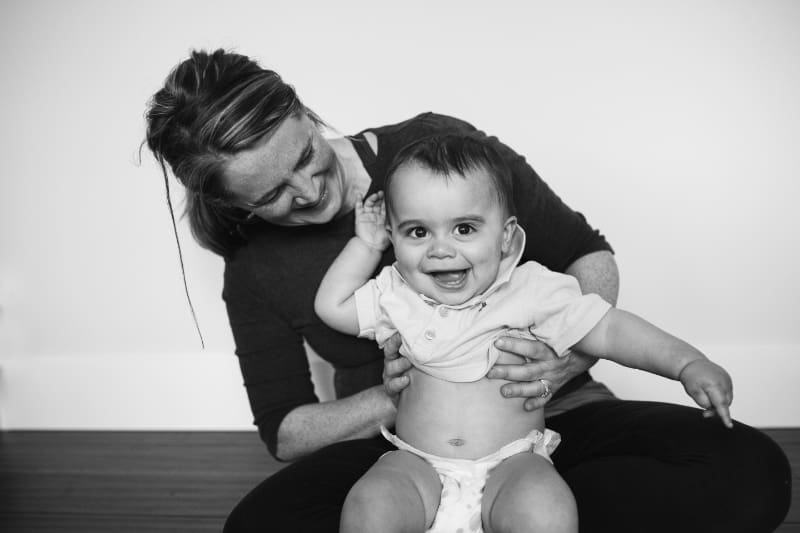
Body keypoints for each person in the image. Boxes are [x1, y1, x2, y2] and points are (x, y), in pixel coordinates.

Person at [143, 49, 791, 533]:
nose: (309, 192)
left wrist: (559, 363)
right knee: (259, 527)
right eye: (273, 195)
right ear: (234, 206)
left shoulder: (440, 156)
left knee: (751, 475)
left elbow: (589, 263)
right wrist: (390, 394)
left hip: (542, 425)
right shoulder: (282, 269)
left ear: (305, 113)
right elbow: (286, 429)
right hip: (407, 451)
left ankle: (525, 514)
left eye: (304, 156)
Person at [314, 134, 734, 533]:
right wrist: (366, 246)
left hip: (511, 464)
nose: (440, 249)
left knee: (545, 506)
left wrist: (686, 362)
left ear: (506, 238)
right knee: (370, 502)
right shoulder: (397, 293)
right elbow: (331, 308)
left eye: (464, 228)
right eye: (418, 232)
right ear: (395, 237)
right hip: (419, 465)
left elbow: (607, 328)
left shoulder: (531, 289)